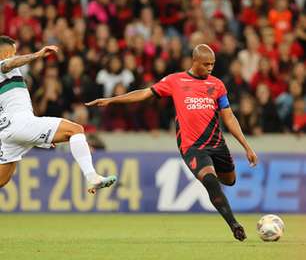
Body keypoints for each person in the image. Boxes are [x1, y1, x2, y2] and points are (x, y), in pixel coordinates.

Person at [86, 44, 258, 241]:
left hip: (217, 144)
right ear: (194, 62)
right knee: (211, 182)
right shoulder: (175, 81)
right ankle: (234, 224)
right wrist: (111, 100)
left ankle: (218, 186)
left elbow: (229, 117)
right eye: (206, 64)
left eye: (213, 64)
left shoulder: (217, 85)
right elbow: (144, 93)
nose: (210, 68)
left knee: (230, 180)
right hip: (191, 146)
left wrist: (247, 146)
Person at [0, 36, 116, 194]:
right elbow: (9, 64)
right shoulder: (4, 64)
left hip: (8, 131)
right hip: (20, 124)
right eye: (13, 52)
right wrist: (37, 55)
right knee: (75, 130)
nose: (15, 54)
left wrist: (39, 135)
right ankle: (92, 177)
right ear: (5, 53)